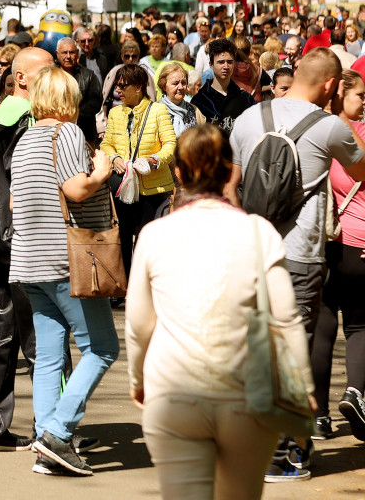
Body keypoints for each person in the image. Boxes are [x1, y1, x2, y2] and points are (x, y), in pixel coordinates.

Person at [127, 125, 315, 499]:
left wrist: (139, 380)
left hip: (172, 392)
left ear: (177, 174)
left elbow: (138, 325)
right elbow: (287, 318)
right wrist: (305, 390)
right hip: (246, 395)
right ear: (231, 171)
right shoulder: (258, 232)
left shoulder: (154, 235)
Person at [227, 48, 365, 479]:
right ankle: (284, 453)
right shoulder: (329, 127)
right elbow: (361, 172)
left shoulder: (250, 118)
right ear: (330, 86)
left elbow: (231, 184)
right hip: (302, 257)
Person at [9, 66, 118, 477]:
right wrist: (102, 172)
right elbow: (75, 190)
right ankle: (57, 432)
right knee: (102, 347)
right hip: (66, 259)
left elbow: (16, 202)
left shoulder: (25, 139)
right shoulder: (67, 133)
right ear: (69, 100)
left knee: (50, 356)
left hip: (30, 260)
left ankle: (45, 438)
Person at [0, 47, 53, 452]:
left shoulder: (0, 116)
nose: (54, 80)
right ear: (22, 78)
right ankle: (52, 429)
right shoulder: (27, 119)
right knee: (43, 336)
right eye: (47, 72)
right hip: (23, 238)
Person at [312, 69, 365, 442]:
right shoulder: (357, 136)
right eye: (360, 95)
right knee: (360, 324)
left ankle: (318, 414)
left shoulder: (318, 134)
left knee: (324, 325)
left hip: (325, 241)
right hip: (359, 242)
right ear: (341, 93)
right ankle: (355, 393)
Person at [100, 64, 176, 277]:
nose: (118, 91)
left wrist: (154, 160)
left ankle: (143, 283)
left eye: (123, 86)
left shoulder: (158, 110)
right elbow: (106, 144)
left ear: (139, 87)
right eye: (117, 86)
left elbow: (170, 144)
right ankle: (124, 285)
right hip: (122, 185)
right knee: (122, 237)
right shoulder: (115, 113)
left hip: (152, 186)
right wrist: (114, 158)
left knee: (145, 240)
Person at [191, 39, 256, 135]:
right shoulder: (200, 101)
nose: (226, 66)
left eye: (230, 62)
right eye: (221, 62)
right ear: (211, 65)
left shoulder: (245, 99)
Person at [57, 38, 102, 145]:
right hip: (56, 134)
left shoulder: (89, 76)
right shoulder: (50, 76)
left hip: (84, 135)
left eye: (71, 52)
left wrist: (74, 114)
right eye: (64, 53)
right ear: (57, 54)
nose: (68, 56)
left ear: (77, 53)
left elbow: (96, 101)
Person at [156, 62, 204, 139]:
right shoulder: (155, 111)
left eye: (183, 83)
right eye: (175, 83)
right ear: (164, 86)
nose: (181, 87)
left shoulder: (194, 110)